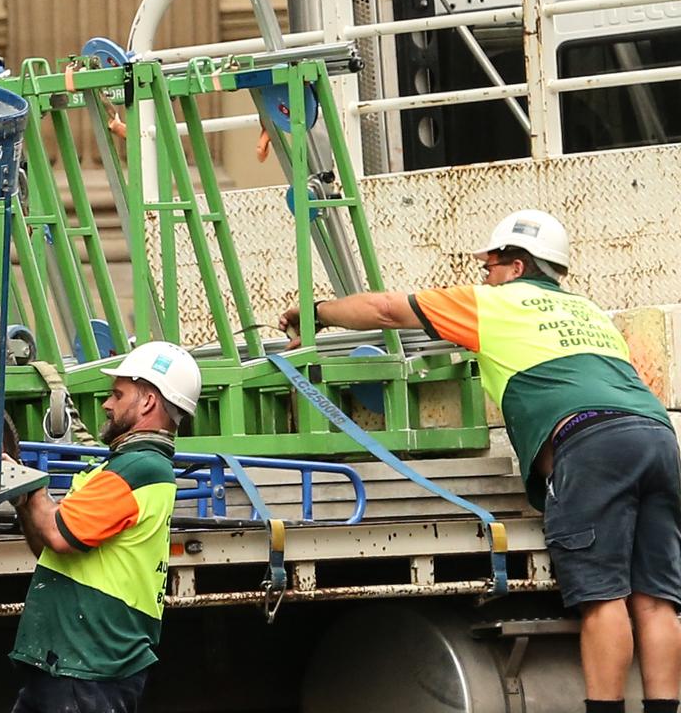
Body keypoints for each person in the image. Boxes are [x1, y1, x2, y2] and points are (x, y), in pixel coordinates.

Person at [279, 209, 681, 713]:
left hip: (591, 444)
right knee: (655, 601)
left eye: (488, 265)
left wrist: (314, 312)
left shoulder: (493, 303)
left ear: (515, 267)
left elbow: (385, 310)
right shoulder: (589, 312)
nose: (484, 275)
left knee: (603, 598)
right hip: (657, 437)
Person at [9, 340, 200, 713]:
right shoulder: (124, 467)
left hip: (88, 670)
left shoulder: (138, 468)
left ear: (147, 402)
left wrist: (25, 481)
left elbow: (57, 533)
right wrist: (24, 502)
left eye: (117, 394)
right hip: (71, 665)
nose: (107, 405)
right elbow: (50, 545)